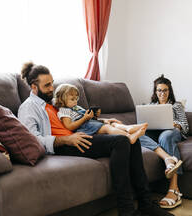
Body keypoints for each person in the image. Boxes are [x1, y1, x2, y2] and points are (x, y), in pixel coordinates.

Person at [17, 62, 173, 216]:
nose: (52, 88)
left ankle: (145, 204)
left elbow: (76, 117)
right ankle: (127, 210)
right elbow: (32, 140)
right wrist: (65, 140)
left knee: (131, 140)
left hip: (77, 137)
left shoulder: (52, 102)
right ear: (33, 87)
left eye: (52, 83)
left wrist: (105, 121)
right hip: (63, 145)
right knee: (121, 141)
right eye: (47, 85)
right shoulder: (28, 107)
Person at [139, 74, 189, 209]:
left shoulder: (176, 105)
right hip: (155, 132)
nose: (162, 93)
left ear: (169, 91)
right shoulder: (151, 106)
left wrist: (175, 124)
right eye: (159, 90)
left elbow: (185, 126)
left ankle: (174, 189)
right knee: (138, 134)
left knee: (165, 137)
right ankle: (168, 159)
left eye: (165, 90)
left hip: (171, 132)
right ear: (155, 91)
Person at [53, 83, 148, 144]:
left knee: (112, 123)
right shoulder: (64, 111)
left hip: (89, 123)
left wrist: (97, 117)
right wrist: (84, 119)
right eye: (72, 99)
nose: (75, 102)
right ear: (62, 99)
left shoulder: (76, 107)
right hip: (84, 128)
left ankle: (128, 128)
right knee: (107, 128)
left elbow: (89, 119)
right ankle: (128, 137)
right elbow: (69, 126)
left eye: (76, 99)